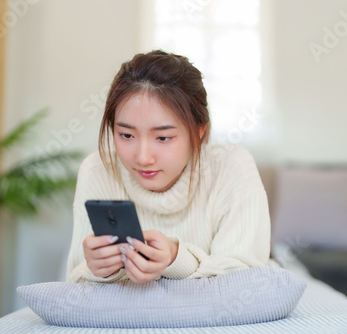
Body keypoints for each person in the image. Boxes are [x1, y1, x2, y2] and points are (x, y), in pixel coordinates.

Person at [66, 50, 270, 284]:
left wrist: (176, 258)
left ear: (198, 131)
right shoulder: (98, 171)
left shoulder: (231, 167)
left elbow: (247, 278)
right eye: (126, 135)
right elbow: (75, 281)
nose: (142, 158)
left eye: (163, 138)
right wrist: (99, 270)